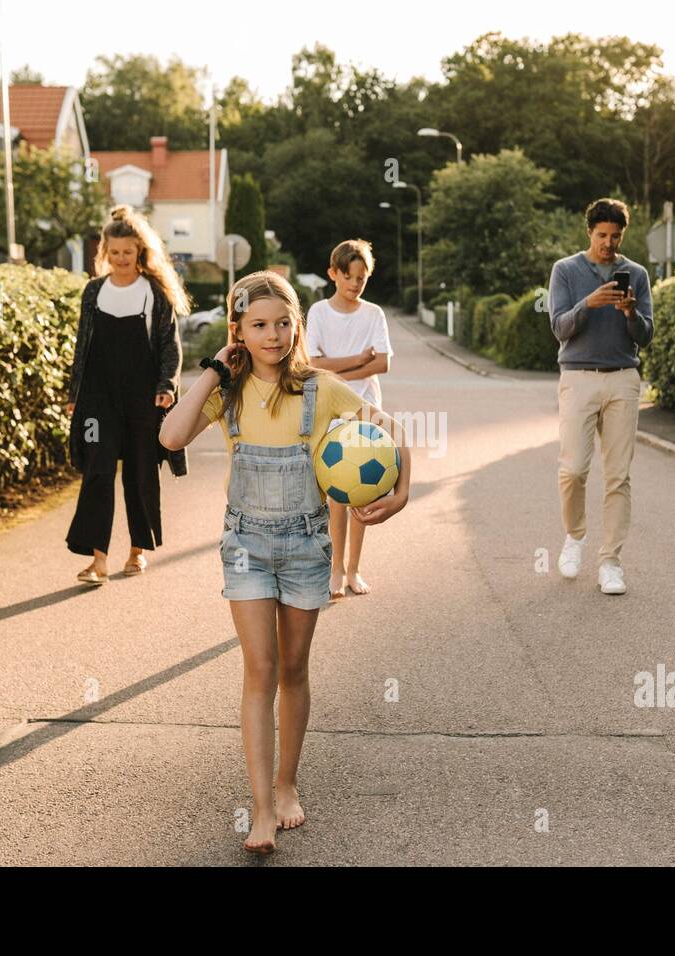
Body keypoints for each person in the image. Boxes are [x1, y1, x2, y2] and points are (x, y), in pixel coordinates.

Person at [158, 271, 411, 855]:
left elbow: (393, 429)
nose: (272, 335)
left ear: (296, 325)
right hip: (246, 545)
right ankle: (263, 810)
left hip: (305, 546)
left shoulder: (321, 390)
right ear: (237, 331)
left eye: (282, 323)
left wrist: (401, 492)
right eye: (258, 325)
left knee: (293, 669)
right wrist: (216, 369)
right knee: (260, 669)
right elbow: (171, 436)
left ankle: (288, 782)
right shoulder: (226, 391)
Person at [64, 205, 190, 585]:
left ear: (140, 252)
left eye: (128, 253)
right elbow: (82, 346)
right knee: (97, 473)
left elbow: (170, 346)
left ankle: (137, 552)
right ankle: (97, 560)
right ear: (105, 252)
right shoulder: (93, 292)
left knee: (140, 474)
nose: (121, 259)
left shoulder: (154, 293)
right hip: (97, 401)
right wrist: (75, 396)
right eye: (114, 253)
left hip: (143, 400)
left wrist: (166, 386)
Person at [547, 198, 654, 595]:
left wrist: (629, 313)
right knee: (573, 469)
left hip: (624, 378)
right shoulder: (566, 270)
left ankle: (611, 562)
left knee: (618, 476)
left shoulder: (636, 274)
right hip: (578, 377)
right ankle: (575, 537)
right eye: (602, 235)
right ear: (589, 232)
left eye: (616, 236)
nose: (609, 243)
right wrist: (589, 303)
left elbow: (646, 335)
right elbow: (559, 327)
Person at [304, 239, 394, 598]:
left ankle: (354, 569)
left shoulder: (373, 314)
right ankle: (335, 570)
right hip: (330, 409)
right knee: (336, 493)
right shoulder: (319, 312)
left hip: (366, 407)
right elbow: (311, 364)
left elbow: (383, 362)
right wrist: (358, 359)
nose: (356, 283)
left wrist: (340, 365)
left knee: (364, 489)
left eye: (362, 277)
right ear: (333, 274)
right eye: (349, 275)